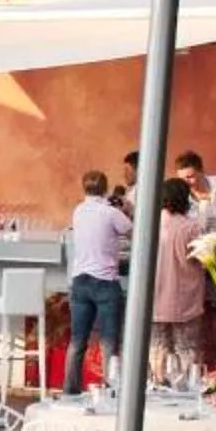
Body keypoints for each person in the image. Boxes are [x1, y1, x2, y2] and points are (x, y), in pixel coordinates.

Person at [65, 168, 129, 391]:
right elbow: (134, 231)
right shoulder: (111, 213)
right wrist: (125, 208)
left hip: (80, 282)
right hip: (105, 282)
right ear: (105, 188)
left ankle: (70, 391)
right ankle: (110, 390)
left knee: (77, 341)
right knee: (108, 342)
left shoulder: (78, 211)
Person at [148, 177, 212, 382]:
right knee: (186, 348)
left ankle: (157, 385)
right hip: (184, 299)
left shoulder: (148, 224)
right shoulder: (191, 228)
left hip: (153, 297)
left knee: (157, 347)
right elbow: (205, 258)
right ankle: (184, 388)